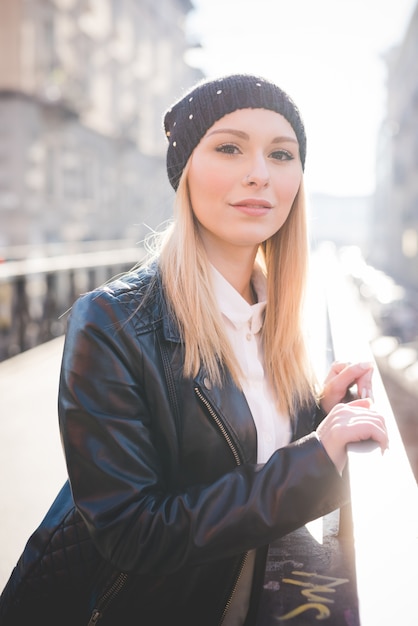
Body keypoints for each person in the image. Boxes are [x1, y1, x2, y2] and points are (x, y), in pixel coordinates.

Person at [0, 74, 388, 626]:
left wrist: (315, 414)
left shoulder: (274, 313)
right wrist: (315, 460)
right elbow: (134, 532)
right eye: (229, 147)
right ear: (185, 171)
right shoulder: (114, 322)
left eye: (282, 154)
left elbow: (234, 449)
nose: (259, 173)